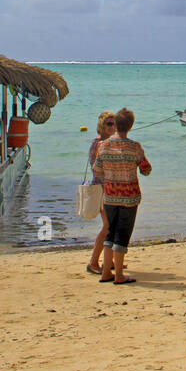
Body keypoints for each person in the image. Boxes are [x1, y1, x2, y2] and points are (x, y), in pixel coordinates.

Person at [94, 108, 153, 285]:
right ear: (130, 126)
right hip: (129, 198)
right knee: (122, 235)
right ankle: (118, 275)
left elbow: (97, 170)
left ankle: (106, 272)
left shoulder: (103, 146)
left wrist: (111, 173)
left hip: (110, 196)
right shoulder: (134, 147)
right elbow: (146, 170)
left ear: (116, 125)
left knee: (110, 234)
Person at [85, 111, 115, 275]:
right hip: (102, 189)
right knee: (108, 226)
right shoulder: (99, 143)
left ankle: (109, 261)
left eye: (115, 123)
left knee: (112, 226)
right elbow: (98, 168)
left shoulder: (107, 142)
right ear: (102, 126)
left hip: (110, 188)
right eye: (109, 124)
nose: (113, 127)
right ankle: (93, 262)